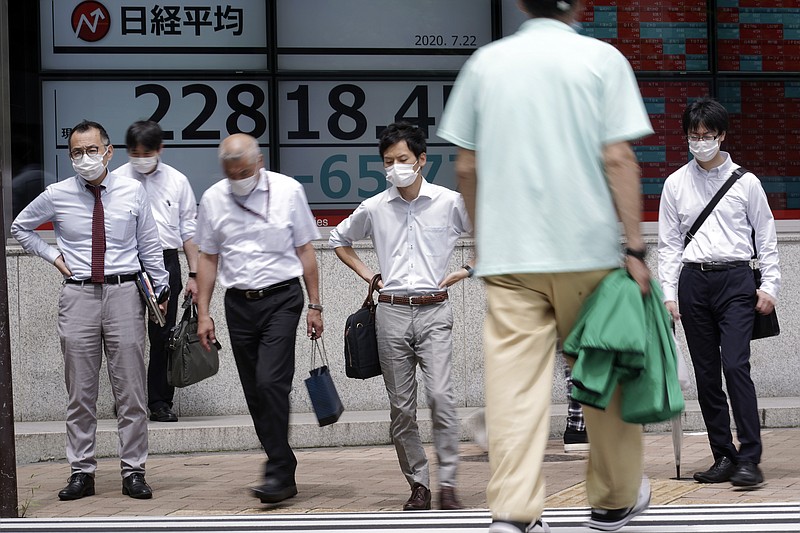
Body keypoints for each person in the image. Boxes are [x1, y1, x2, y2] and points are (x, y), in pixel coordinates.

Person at [438, 0, 655, 531]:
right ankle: (612, 498)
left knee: (514, 387)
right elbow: (618, 158)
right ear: (579, 4)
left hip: (512, 257)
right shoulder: (602, 60)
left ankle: (513, 509)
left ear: (519, 3)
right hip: (592, 256)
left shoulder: (485, 64)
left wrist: (483, 240)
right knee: (605, 374)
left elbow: (466, 163)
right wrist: (634, 248)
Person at [11, 120, 169, 501]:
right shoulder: (57, 194)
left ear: (108, 152)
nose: (85, 158)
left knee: (131, 391)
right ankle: (82, 471)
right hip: (78, 295)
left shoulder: (133, 191)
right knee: (80, 393)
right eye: (77, 153)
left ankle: (134, 470)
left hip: (124, 294)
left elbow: (149, 245)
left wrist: (161, 287)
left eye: (91, 150)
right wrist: (52, 255)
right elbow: (21, 227)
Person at [329, 122, 473, 512]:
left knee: (442, 397)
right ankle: (418, 484)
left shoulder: (449, 202)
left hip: (435, 309)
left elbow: (493, 233)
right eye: (388, 161)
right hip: (391, 311)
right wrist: (369, 275)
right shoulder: (375, 207)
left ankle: (447, 483)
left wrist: (468, 269)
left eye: (403, 159)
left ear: (422, 160)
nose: (395, 167)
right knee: (401, 407)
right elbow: (338, 239)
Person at [194, 133, 323, 504]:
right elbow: (208, 258)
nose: (239, 179)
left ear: (259, 162)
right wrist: (204, 313)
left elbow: (305, 249)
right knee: (255, 391)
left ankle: (280, 470)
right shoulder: (214, 199)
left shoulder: (288, 191)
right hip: (239, 303)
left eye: (245, 171)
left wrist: (315, 305)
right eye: (232, 173)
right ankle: (279, 463)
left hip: (282, 298)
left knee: (270, 383)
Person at [657, 97, 779, 488]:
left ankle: (750, 458)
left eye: (708, 135)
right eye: (694, 136)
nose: (700, 142)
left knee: (735, 366)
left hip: (736, 280)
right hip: (693, 282)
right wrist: (668, 293)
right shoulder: (675, 183)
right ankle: (723, 455)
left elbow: (766, 237)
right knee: (707, 375)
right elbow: (670, 244)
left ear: (722, 135)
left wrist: (770, 284)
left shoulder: (747, 183)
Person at [114, 120, 200, 423]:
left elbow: (188, 230)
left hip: (165, 262)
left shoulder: (177, 181)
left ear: (159, 150)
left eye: (146, 152)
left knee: (163, 336)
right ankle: (128, 400)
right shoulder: (115, 180)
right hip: (125, 263)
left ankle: (160, 401)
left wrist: (194, 274)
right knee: (125, 337)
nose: (140, 158)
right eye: (134, 152)